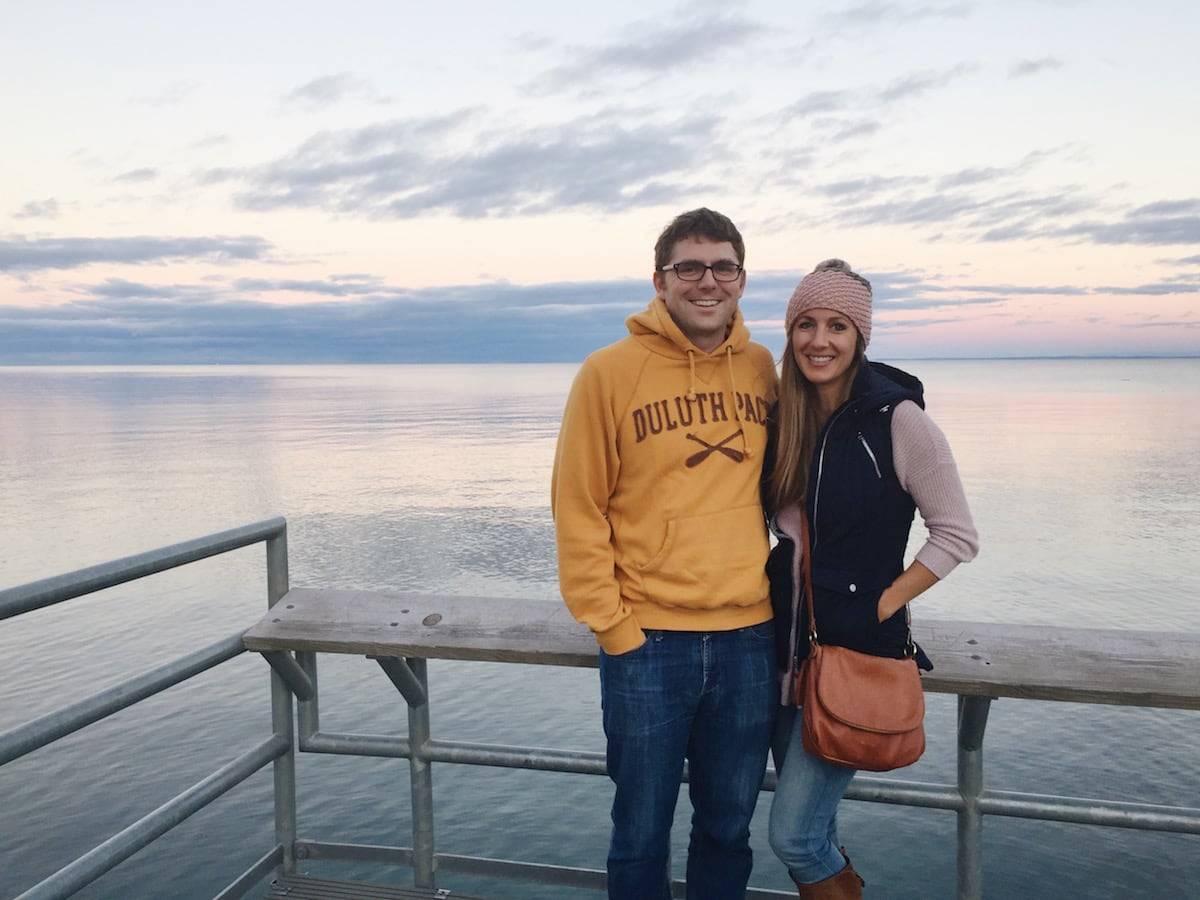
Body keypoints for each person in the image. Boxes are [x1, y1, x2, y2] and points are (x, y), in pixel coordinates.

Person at [551, 208, 779, 899]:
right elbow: (577, 505)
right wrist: (613, 626)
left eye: (723, 267)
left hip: (749, 640)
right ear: (660, 280)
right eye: (690, 267)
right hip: (647, 644)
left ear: (742, 280)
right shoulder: (608, 373)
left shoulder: (762, 368)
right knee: (640, 834)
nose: (708, 281)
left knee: (728, 830)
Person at [764, 259, 979, 898]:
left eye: (837, 326)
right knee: (815, 828)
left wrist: (883, 605)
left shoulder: (898, 420)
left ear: (860, 337)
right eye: (806, 324)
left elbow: (956, 535)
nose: (819, 340)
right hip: (783, 656)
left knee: (793, 836)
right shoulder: (787, 418)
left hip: (856, 656)